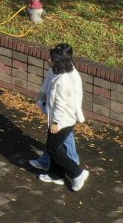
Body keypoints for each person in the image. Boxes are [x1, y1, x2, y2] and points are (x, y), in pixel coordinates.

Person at [37, 43, 89, 192]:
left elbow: (60, 105)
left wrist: (55, 123)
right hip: (59, 120)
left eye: (51, 58)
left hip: (63, 122)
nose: (48, 59)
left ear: (57, 61)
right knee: (54, 147)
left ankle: (77, 173)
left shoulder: (63, 81)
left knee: (53, 149)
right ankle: (56, 175)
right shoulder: (57, 73)